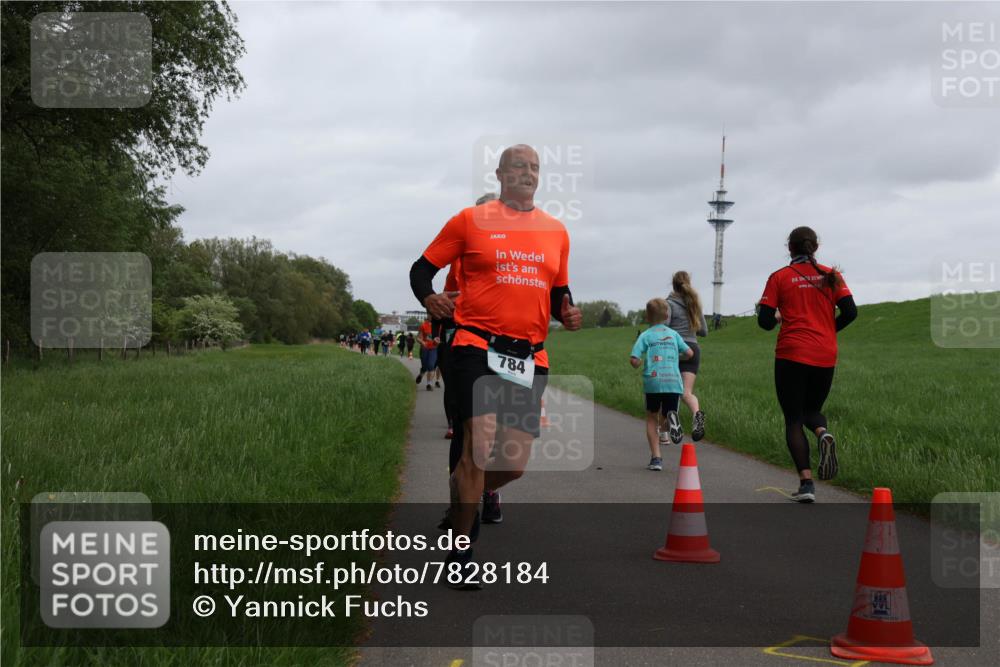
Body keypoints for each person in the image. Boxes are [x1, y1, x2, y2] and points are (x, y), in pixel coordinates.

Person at [409, 144, 582, 588]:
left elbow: (560, 292)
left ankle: (465, 492)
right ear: (501, 173)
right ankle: (461, 554)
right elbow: (421, 269)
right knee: (478, 445)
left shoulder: (556, 231)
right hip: (474, 345)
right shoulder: (470, 220)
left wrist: (569, 312)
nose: (528, 173)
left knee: (513, 463)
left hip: (529, 355)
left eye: (536, 168)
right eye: (519, 166)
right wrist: (429, 298)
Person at [757, 226, 857, 503]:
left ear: (789, 248)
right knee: (812, 410)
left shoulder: (779, 277)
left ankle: (807, 483)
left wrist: (778, 317)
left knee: (793, 419)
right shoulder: (831, 276)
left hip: (791, 353)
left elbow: (764, 322)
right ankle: (823, 433)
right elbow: (851, 312)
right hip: (825, 353)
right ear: (816, 246)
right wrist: (827, 330)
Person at [630, 298, 694, 470]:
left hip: (653, 381)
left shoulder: (645, 335)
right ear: (667, 315)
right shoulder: (674, 335)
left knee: (652, 417)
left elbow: (634, 360)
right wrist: (677, 357)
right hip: (673, 381)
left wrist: (638, 362)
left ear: (647, 316)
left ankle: (656, 459)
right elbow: (690, 353)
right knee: (667, 415)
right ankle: (672, 422)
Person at [666, 271, 709, 441]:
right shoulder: (694, 304)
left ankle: (672, 427)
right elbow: (704, 331)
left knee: (670, 392)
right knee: (686, 393)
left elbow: (664, 328)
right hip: (693, 349)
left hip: (674, 349)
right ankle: (697, 415)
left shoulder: (668, 304)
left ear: (673, 285)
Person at [415, 317, 439, 390]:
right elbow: (418, 338)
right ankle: (421, 375)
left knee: (431, 365)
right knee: (425, 366)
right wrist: (422, 342)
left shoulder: (439, 326)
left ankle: (429, 384)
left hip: (434, 349)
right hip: (424, 348)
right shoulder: (423, 325)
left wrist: (438, 341)